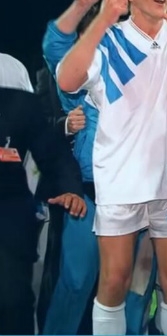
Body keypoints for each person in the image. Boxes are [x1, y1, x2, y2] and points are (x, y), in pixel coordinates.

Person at [56, 0, 167, 335]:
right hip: (120, 180)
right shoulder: (109, 39)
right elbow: (66, 81)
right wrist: (101, 19)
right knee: (114, 281)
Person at [0, 85, 87, 334]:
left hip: (8, 214)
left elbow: (54, 154)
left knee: (12, 300)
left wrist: (70, 189)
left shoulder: (19, 104)